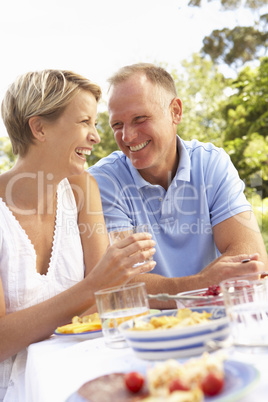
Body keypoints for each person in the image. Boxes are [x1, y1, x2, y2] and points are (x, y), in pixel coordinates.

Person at [0, 69, 156, 400]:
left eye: (95, 125)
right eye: (84, 122)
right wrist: (95, 284)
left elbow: (102, 305)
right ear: (39, 127)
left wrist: (118, 275)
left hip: (81, 373)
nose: (96, 137)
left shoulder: (83, 189)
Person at [89, 62, 267, 302]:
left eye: (140, 119)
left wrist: (180, 290)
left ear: (175, 112)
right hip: (148, 329)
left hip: (220, 318)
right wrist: (202, 284)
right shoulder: (104, 180)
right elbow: (121, 284)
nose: (127, 136)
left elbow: (251, 260)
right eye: (117, 125)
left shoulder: (211, 163)